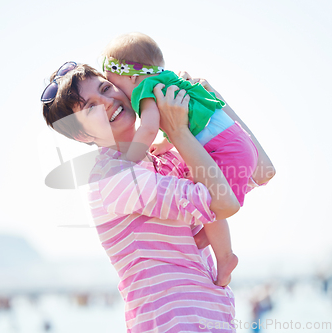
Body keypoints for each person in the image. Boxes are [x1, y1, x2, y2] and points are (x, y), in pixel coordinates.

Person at [101, 32, 273, 286]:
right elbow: (186, 124)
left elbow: (148, 128)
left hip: (223, 150)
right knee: (209, 202)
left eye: (115, 83)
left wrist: (129, 159)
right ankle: (207, 239)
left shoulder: (145, 91)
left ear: (133, 77)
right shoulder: (171, 81)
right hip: (238, 142)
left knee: (208, 198)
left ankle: (224, 257)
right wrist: (165, 141)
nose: (121, 93)